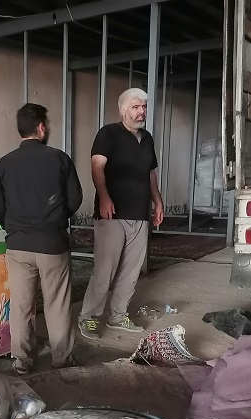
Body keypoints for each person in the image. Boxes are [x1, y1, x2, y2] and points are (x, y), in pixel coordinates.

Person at [0, 103, 83, 375]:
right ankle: (62, 359)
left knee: (21, 306)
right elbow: (75, 199)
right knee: (57, 304)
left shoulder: (4, 164)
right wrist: (56, 219)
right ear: (41, 128)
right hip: (52, 245)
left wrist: (14, 228)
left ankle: (22, 361)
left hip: (18, 246)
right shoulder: (59, 159)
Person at [78, 88, 163, 340]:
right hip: (112, 213)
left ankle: (117, 316)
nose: (141, 112)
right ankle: (89, 317)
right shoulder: (108, 134)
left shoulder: (147, 138)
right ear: (123, 110)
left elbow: (150, 173)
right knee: (105, 270)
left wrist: (157, 201)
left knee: (131, 271)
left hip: (139, 213)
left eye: (144, 107)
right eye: (136, 107)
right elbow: (97, 167)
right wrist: (104, 197)